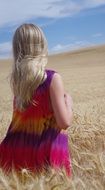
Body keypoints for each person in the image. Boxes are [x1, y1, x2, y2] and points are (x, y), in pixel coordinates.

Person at [0, 23, 73, 177]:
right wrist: (69, 103)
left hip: (17, 152)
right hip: (45, 157)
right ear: (42, 46)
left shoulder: (19, 83)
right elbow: (64, 122)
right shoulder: (52, 79)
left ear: (17, 50)